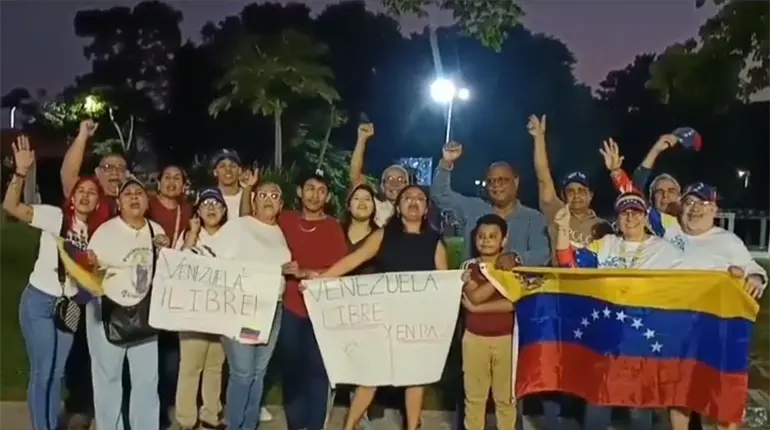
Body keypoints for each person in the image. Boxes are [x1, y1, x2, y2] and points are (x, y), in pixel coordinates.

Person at [313, 184, 449, 430]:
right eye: (408, 198)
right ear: (398, 206)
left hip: (416, 323)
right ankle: (349, 425)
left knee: (416, 378)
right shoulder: (384, 235)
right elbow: (354, 260)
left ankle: (412, 425)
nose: (414, 202)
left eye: (420, 199)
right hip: (382, 319)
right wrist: (320, 280)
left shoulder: (435, 243)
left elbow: (443, 285)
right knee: (370, 376)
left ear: (427, 208)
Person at [3, 136, 109, 430]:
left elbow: (95, 279)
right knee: (43, 371)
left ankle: (49, 423)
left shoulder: (98, 234)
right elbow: (11, 206)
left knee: (58, 372)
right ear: (72, 197)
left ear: (98, 201)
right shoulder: (55, 216)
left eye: (92, 192)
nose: (86, 195)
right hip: (39, 300)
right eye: (81, 191)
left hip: (69, 307)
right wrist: (21, 173)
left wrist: (83, 301)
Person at [553, 191, 684, 430]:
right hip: (607, 340)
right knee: (598, 403)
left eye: (636, 212)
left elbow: (689, 287)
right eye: (625, 212)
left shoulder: (667, 251)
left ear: (646, 217)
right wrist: (563, 228)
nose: (630, 217)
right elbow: (569, 264)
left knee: (638, 409)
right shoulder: (607, 244)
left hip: (644, 340)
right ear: (617, 218)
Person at [665, 183, 766, 430]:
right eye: (689, 203)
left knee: (723, 397)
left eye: (702, 203)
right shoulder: (668, 234)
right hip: (679, 334)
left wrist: (754, 278)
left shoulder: (728, 241)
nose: (695, 209)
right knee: (680, 397)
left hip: (719, 335)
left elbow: (753, 269)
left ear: (714, 209)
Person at [200, 182, 294, 430]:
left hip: (272, 309)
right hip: (241, 311)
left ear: (281, 205)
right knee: (242, 374)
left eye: (275, 195)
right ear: (253, 200)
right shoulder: (239, 227)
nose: (268, 199)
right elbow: (209, 257)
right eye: (263, 194)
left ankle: (248, 425)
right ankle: (234, 425)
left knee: (258, 374)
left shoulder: (279, 232)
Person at [81, 177, 168, 430]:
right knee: (108, 380)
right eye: (128, 194)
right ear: (119, 203)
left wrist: (165, 251)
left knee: (147, 382)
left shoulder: (156, 231)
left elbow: (166, 273)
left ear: (146, 202)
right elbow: (90, 274)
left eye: (139, 193)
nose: (134, 197)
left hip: (143, 314)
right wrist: (91, 265)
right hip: (108, 313)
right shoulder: (105, 232)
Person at [278, 170, 349, 430]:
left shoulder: (332, 227)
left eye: (321, 190)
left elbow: (340, 269)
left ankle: (316, 424)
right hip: (291, 309)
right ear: (299, 191)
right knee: (293, 369)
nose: (315, 195)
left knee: (319, 370)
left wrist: (309, 274)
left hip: (321, 311)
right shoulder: (284, 220)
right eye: (310, 188)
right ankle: (296, 424)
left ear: (328, 196)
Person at [431, 141, 550, 264]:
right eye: (491, 181)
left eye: (502, 180)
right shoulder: (472, 209)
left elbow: (542, 253)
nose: (496, 185)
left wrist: (517, 259)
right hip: (473, 280)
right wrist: (446, 163)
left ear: (516, 182)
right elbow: (440, 195)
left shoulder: (533, 218)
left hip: (516, 282)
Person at [172, 188, 228, 430]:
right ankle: (186, 419)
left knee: (215, 366)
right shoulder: (189, 234)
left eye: (216, 204)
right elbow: (176, 266)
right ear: (198, 211)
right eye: (205, 204)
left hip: (221, 313)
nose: (211, 208)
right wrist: (192, 234)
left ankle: (210, 416)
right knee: (190, 366)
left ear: (224, 210)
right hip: (192, 314)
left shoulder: (232, 236)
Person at [458, 214, 517, 430]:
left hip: (507, 340)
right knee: (474, 397)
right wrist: (499, 275)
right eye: (481, 236)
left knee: (506, 399)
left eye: (493, 236)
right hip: (474, 340)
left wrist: (475, 309)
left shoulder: (515, 267)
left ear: (504, 240)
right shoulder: (469, 267)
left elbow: (514, 302)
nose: (486, 240)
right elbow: (474, 296)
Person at [147, 164, 193, 427]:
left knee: (170, 356)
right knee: (145, 352)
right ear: (159, 181)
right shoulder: (147, 205)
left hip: (174, 290)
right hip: (147, 287)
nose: (172, 182)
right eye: (167, 177)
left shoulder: (187, 211)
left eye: (178, 177)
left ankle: (164, 408)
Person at [529, 114, 602, 248]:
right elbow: (543, 178)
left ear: (590, 195)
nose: (576, 195)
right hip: (559, 269)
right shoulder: (557, 213)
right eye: (570, 191)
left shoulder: (603, 226)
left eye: (581, 190)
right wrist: (539, 138)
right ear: (563, 196)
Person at [349, 120, 411, 226]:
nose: (394, 184)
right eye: (390, 179)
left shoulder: (414, 211)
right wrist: (362, 139)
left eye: (400, 180)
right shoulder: (375, 208)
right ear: (382, 186)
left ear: (407, 185)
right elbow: (355, 178)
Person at [629, 134, 682, 214]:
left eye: (671, 191)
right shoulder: (648, 221)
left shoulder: (689, 221)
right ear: (651, 200)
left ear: (680, 197)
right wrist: (655, 150)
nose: (665, 195)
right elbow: (637, 184)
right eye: (659, 192)